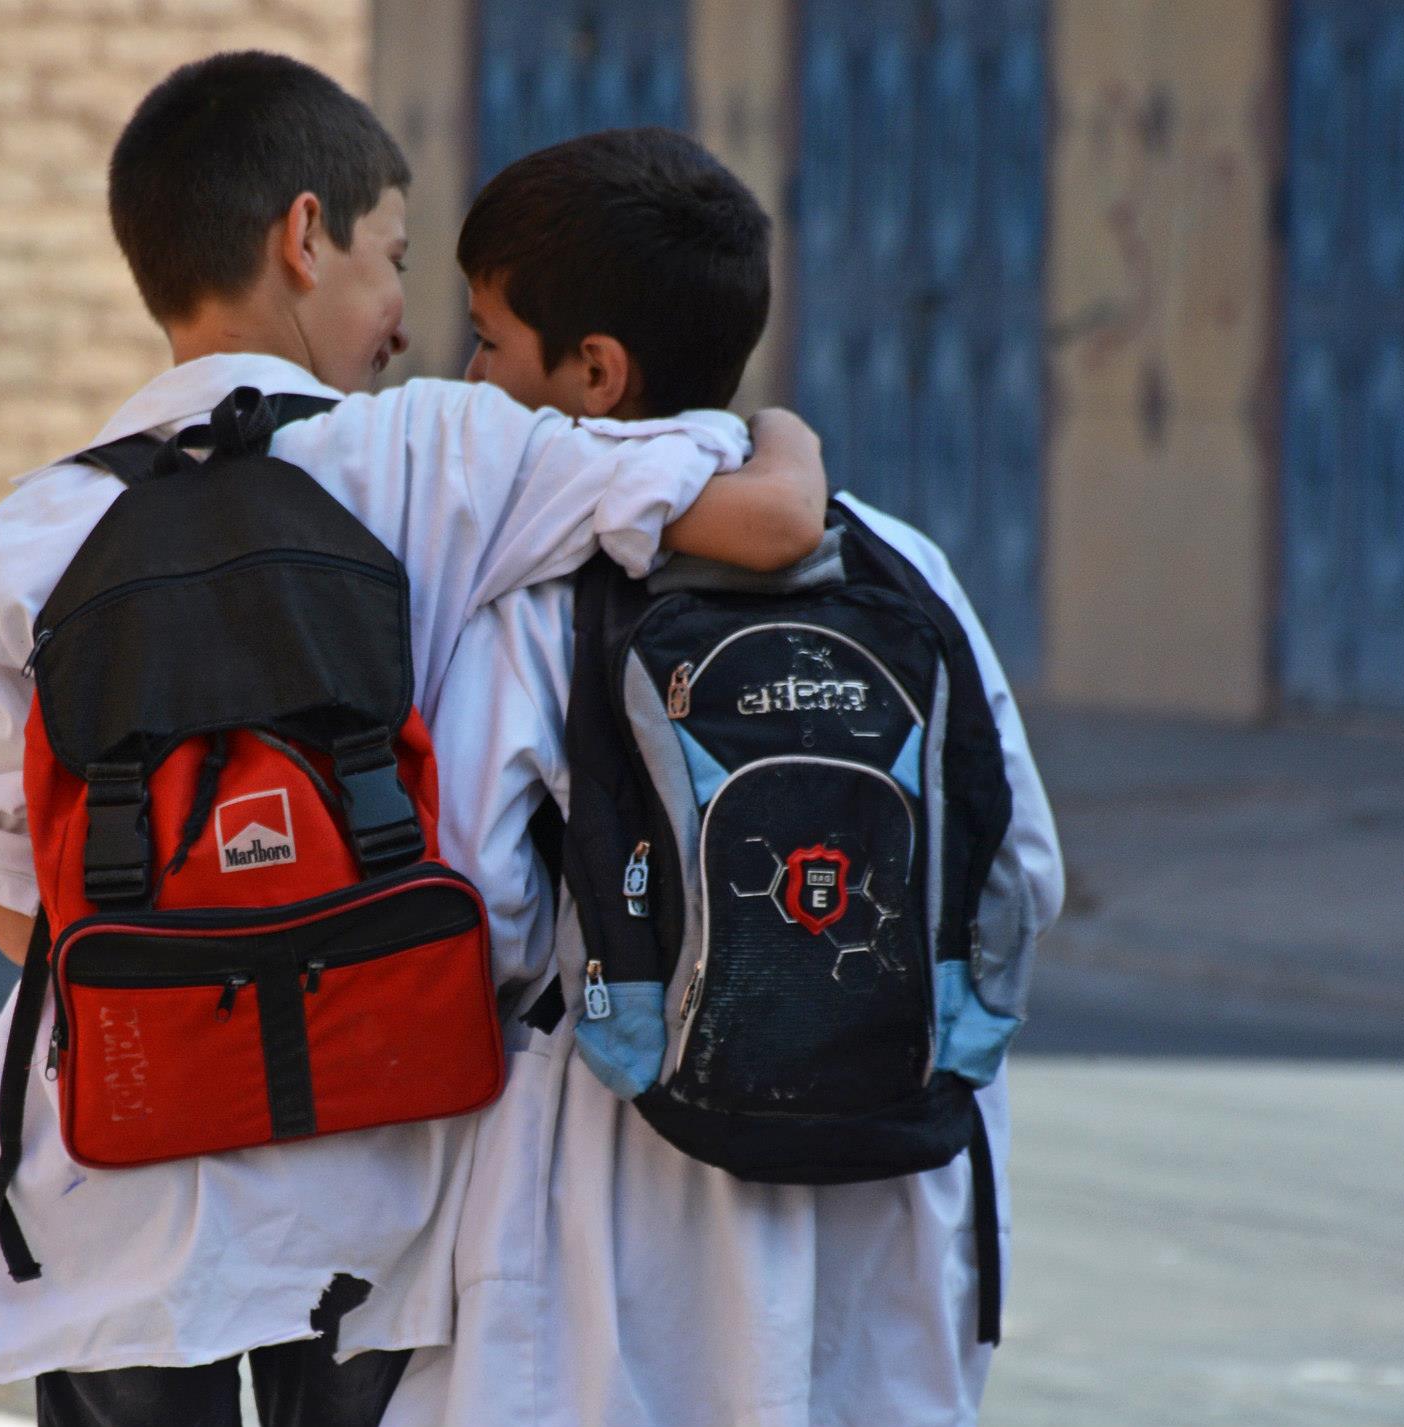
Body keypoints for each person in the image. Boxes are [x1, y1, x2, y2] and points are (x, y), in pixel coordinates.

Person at [0, 52, 827, 1427]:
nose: (405, 322)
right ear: (305, 234)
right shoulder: (445, 452)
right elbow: (771, 521)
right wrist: (781, 420)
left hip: (111, 1162)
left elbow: (19, 919)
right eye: (394, 261)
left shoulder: (26, 534)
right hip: (379, 1165)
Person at [377, 129, 1065, 1427]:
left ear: (594, 372)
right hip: (891, 1168)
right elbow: (1020, 870)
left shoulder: (545, 593)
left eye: (487, 339)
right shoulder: (898, 562)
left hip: (619, 1173)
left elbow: (481, 907)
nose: (469, 373)